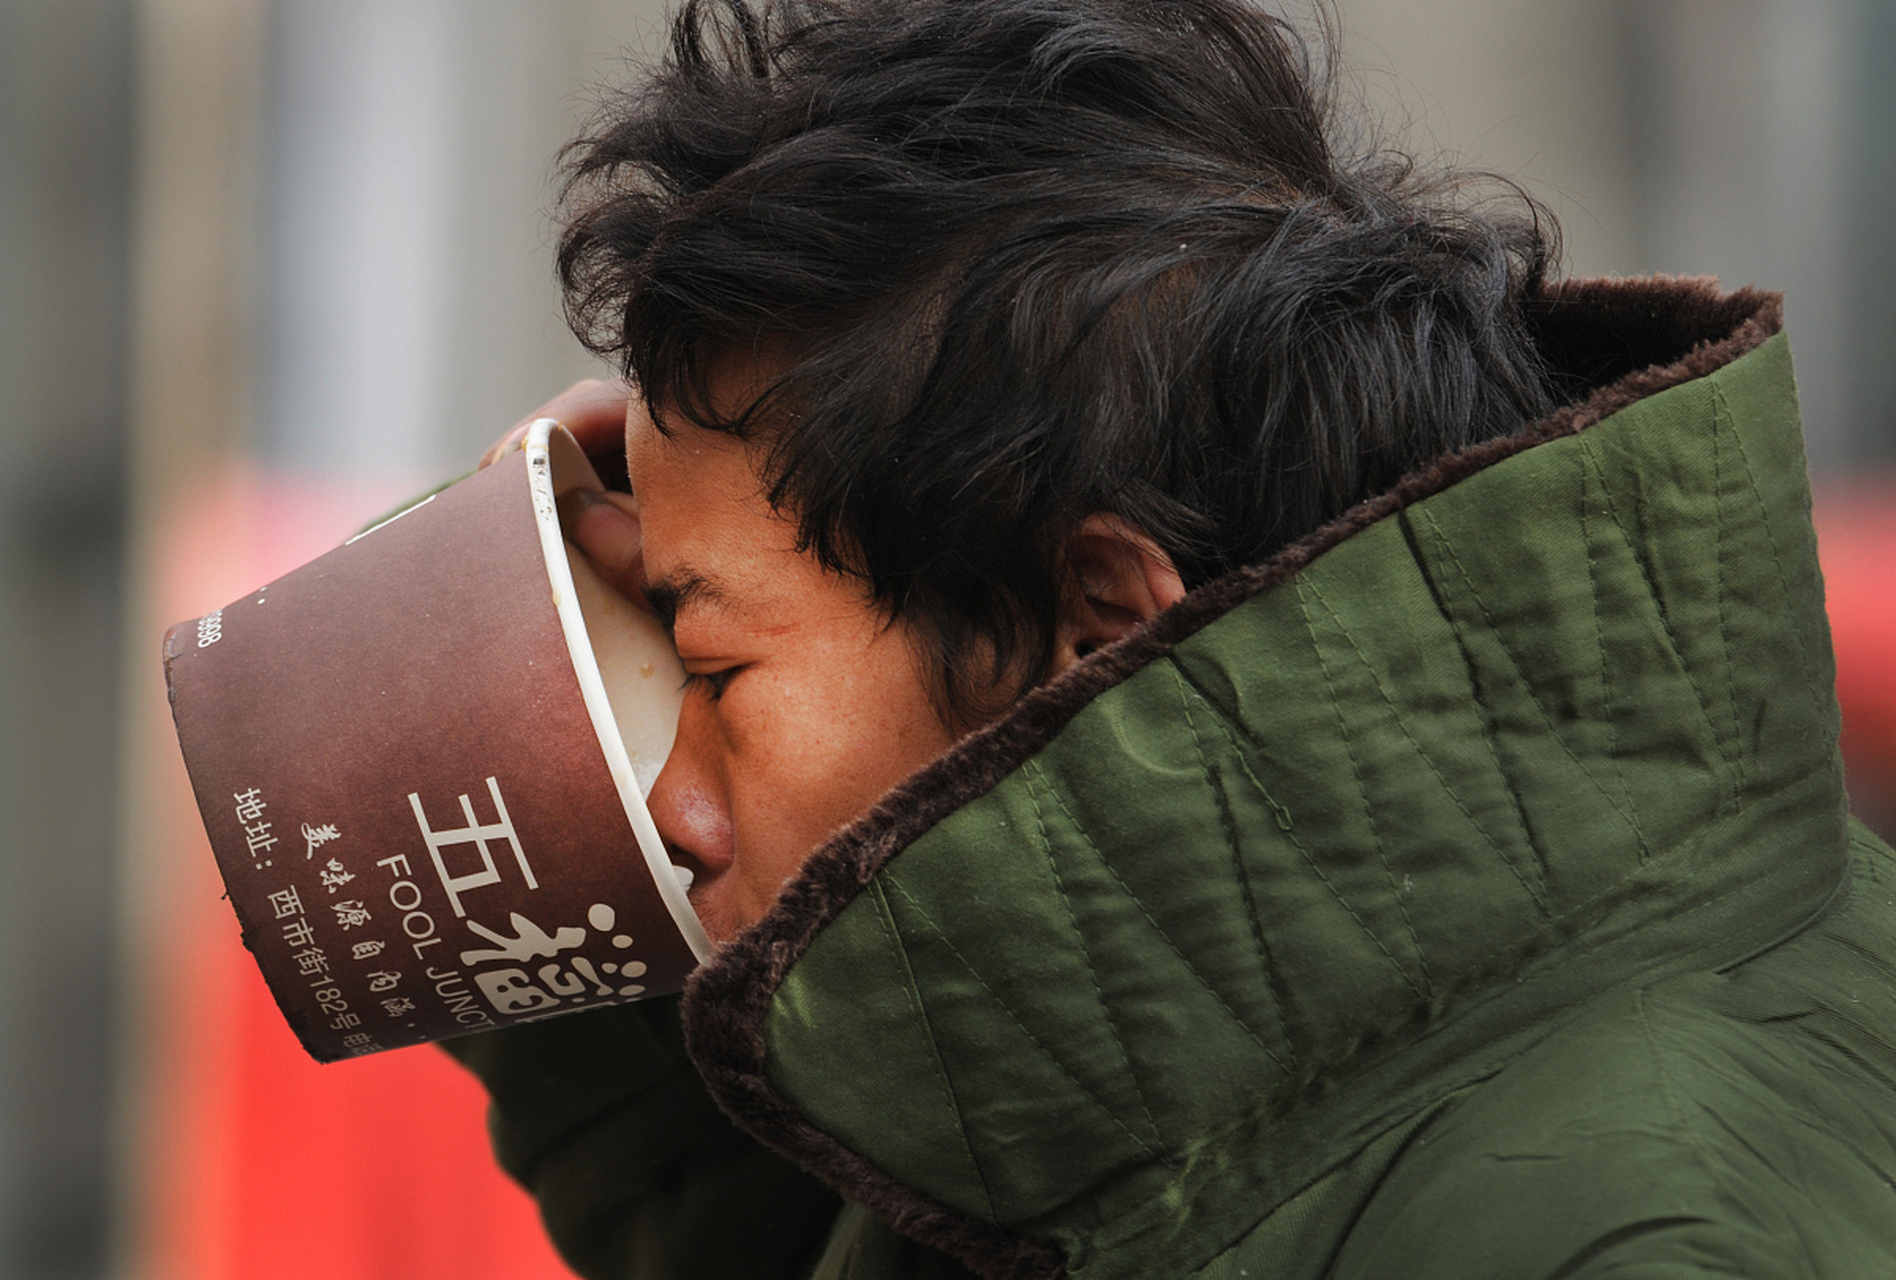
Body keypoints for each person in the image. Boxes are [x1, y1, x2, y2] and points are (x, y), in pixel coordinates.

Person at [446, 1, 1896, 1276]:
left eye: (705, 669)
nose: (663, 799)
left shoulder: (1617, 1229)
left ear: (1096, 631)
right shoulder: (1207, 1083)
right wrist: (507, 692)